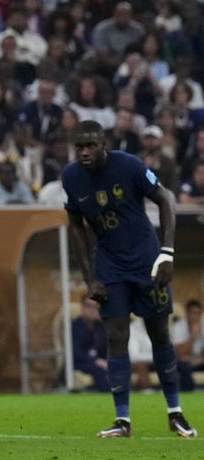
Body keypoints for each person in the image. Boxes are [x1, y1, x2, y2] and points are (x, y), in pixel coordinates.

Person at [63, 120, 196, 438]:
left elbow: (166, 200)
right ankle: (122, 420)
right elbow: (77, 228)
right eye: (79, 146)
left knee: (159, 334)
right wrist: (89, 278)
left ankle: (174, 413)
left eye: (90, 145)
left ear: (103, 144)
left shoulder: (130, 166)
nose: (84, 152)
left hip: (147, 261)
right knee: (115, 335)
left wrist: (166, 254)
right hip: (109, 266)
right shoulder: (71, 177)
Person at [71, 295, 109, 392]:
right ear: (82, 307)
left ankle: (125, 394)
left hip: (100, 362)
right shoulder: (74, 326)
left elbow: (106, 349)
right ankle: (108, 397)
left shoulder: (101, 327)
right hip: (80, 362)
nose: (92, 310)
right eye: (89, 306)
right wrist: (96, 361)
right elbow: (76, 352)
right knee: (99, 371)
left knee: (117, 366)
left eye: (95, 307)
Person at [174, 299, 204, 392]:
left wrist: (201, 359)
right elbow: (180, 354)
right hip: (183, 361)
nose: (195, 317)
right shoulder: (178, 327)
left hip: (199, 360)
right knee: (184, 367)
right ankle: (188, 394)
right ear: (187, 313)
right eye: (192, 313)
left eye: (198, 313)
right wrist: (193, 336)